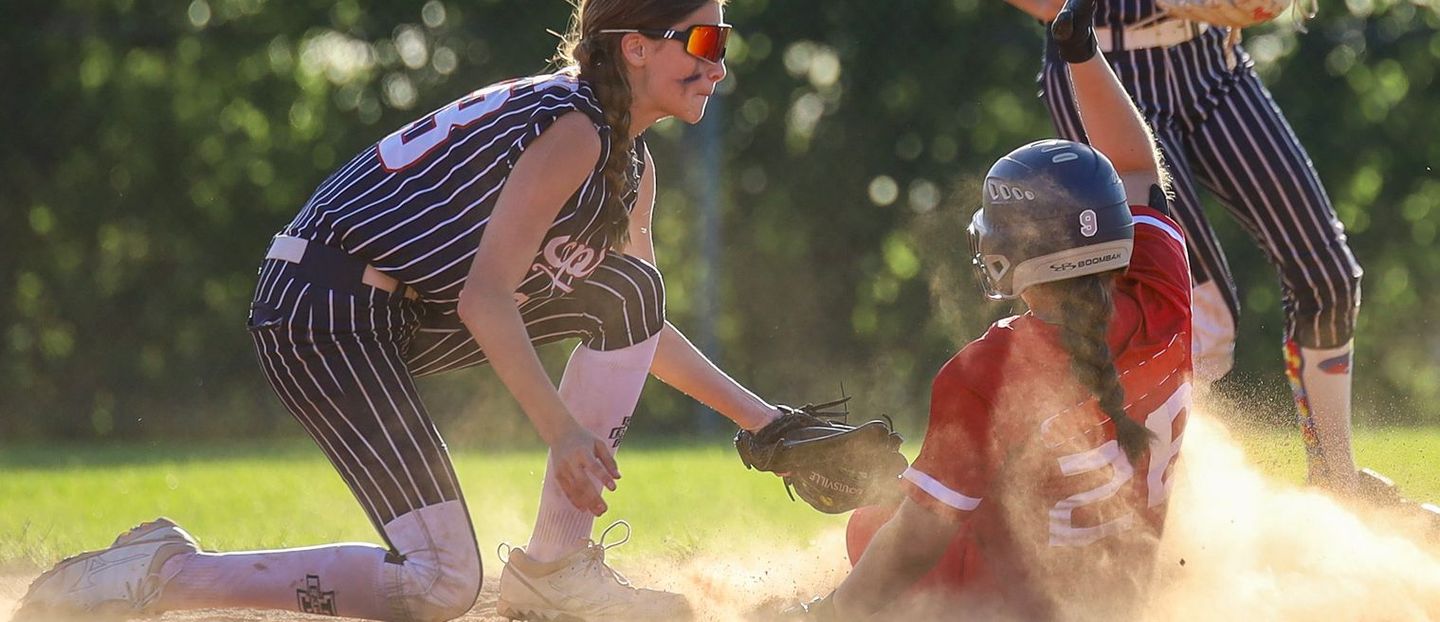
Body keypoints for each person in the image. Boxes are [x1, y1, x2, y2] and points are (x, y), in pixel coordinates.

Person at [16, 1, 786, 621]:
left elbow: (640, 326)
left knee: (627, 292)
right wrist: (561, 432)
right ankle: (164, 574)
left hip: (394, 311)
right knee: (441, 584)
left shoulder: (625, 159)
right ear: (636, 47)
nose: (718, 62)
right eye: (703, 37)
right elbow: (485, 298)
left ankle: (554, 572)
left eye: (724, 40)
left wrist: (769, 426)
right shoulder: (577, 130)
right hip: (322, 310)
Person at [789, 3, 1193, 618]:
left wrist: (817, 613)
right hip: (1124, 595)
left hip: (1012, 607)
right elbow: (1137, 165)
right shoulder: (1166, 287)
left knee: (874, 525)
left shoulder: (992, 367)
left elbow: (915, 544)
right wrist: (1081, 51)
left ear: (1016, 258)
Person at [1005, 0, 1364, 493]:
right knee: (1202, 320)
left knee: (1329, 279)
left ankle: (1338, 483)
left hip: (1211, 63)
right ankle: (1173, 506)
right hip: (1104, 65)